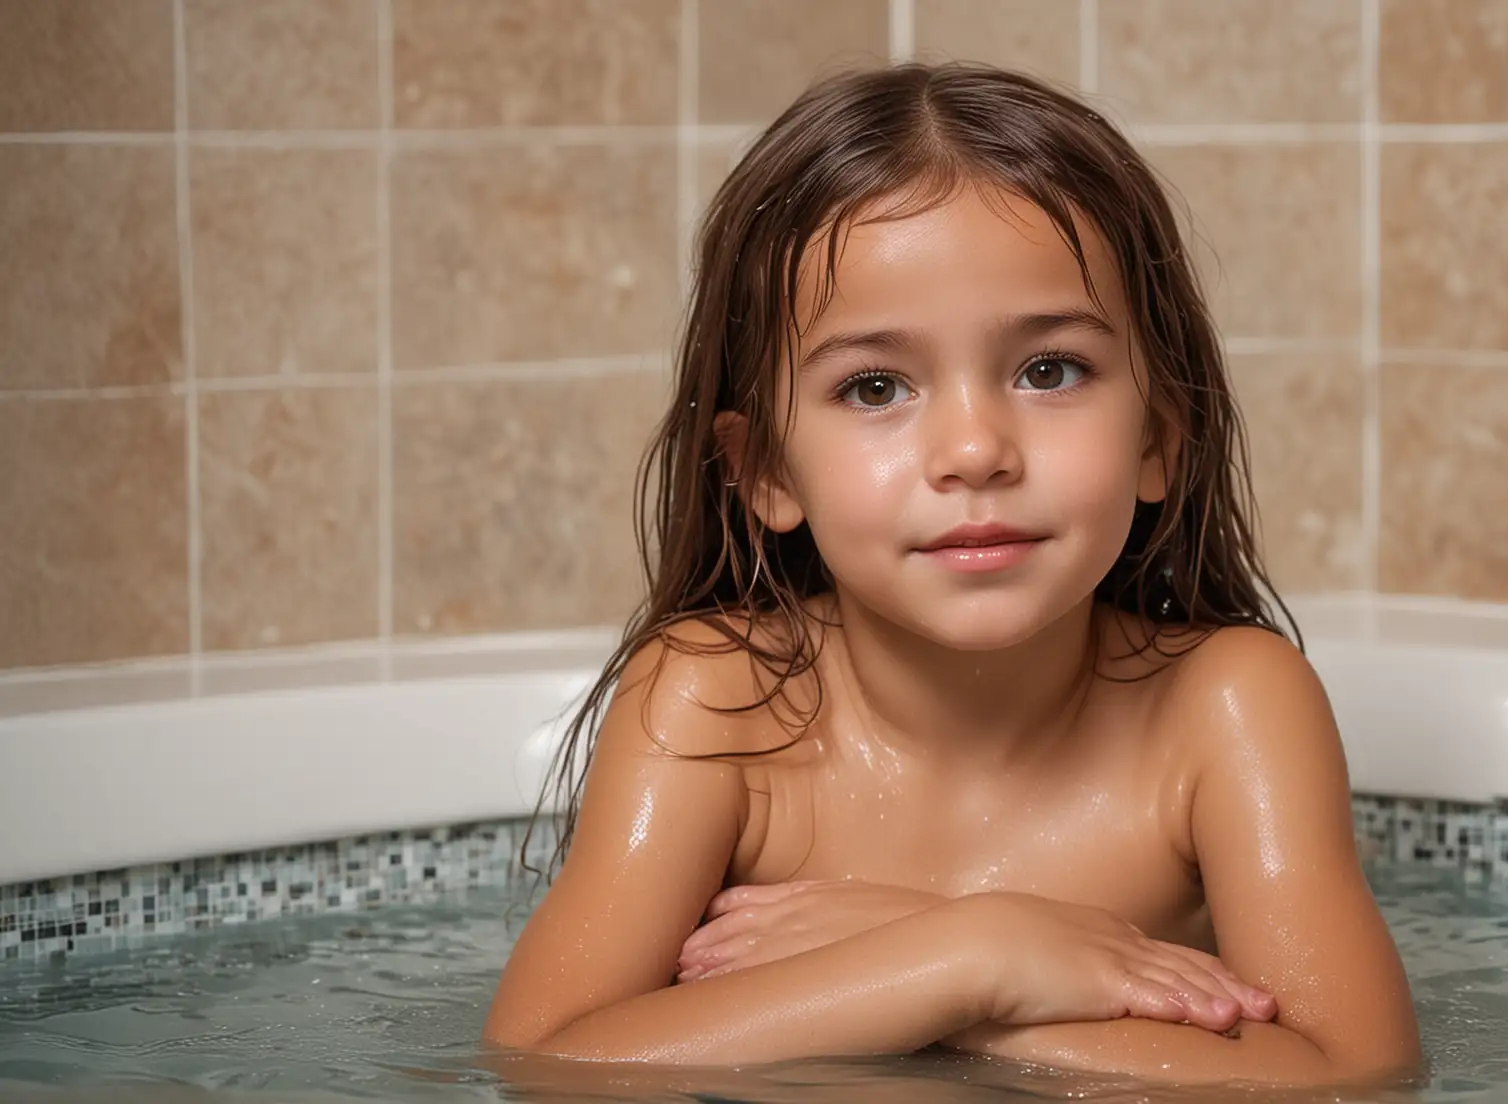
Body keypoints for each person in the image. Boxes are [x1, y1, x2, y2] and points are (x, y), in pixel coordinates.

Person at [482, 62, 1421, 1089]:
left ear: (1159, 438)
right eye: (875, 386)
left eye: (1049, 370)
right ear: (764, 471)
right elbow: (547, 1059)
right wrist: (978, 955)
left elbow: (1352, 1076)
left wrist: (958, 975)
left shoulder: (1226, 705)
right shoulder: (717, 698)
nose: (974, 450)